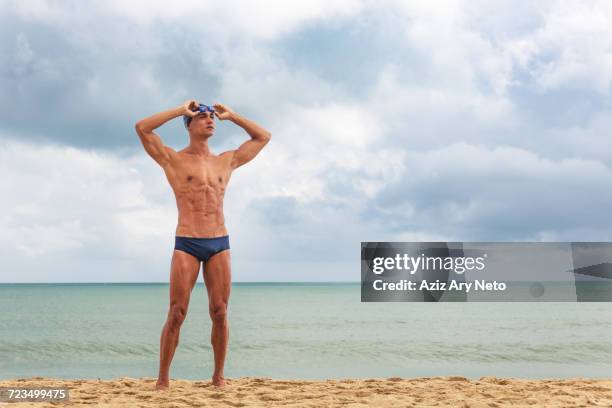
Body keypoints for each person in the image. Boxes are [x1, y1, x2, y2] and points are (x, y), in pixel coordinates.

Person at [134, 100, 271, 389]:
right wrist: (179, 110)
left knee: (220, 311)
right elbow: (142, 128)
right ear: (190, 125)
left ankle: (218, 377)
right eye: (203, 117)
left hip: (219, 242)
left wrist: (232, 116)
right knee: (176, 312)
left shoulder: (227, 159)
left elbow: (263, 137)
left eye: (213, 118)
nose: (210, 120)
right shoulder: (172, 159)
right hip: (187, 242)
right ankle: (162, 380)